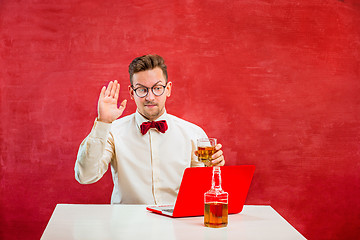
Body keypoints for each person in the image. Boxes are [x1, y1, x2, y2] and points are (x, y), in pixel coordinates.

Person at [75, 54, 225, 205]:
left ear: (168, 89)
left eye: (157, 88)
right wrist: (103, 122)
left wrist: (213, 170)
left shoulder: (193, 134)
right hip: (127, 226)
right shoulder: (112, 131)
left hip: (177, 224)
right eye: (142, 89)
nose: (150, 97)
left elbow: (203, 191)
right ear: (132, 93)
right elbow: (86, 176)